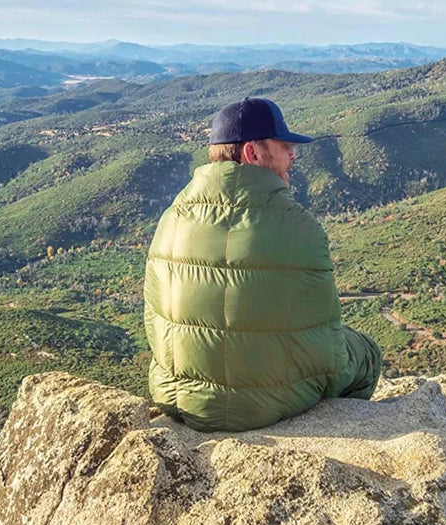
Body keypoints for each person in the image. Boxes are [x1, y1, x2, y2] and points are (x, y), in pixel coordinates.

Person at [144, 97, 382, 432]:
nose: (293, 155)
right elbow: (326, 343)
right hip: (269, 407)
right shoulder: (300, 226)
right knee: (366, 353)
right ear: (252, 153)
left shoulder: (171, 218)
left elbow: (154, 322)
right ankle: (341, 427)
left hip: (179, 398)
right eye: (284, 146)